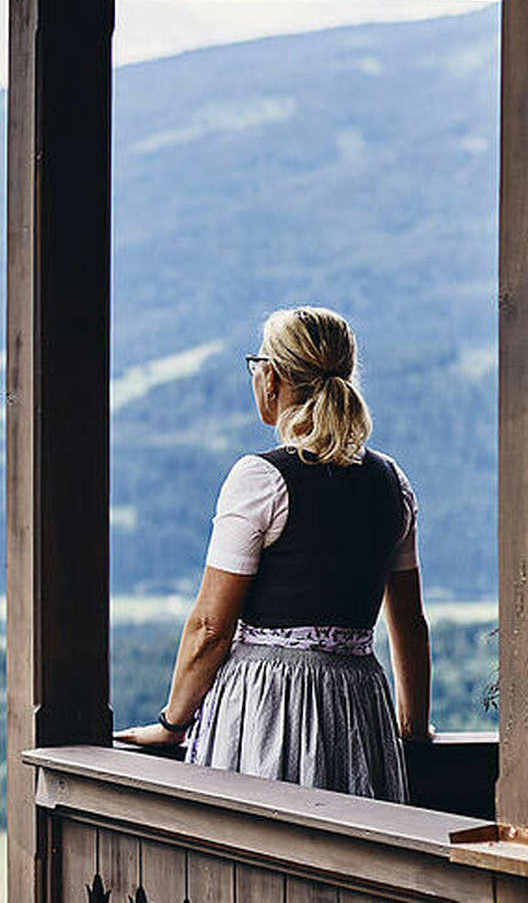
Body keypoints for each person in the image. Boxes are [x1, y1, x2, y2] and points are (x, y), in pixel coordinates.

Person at [115, 306, 431, 801]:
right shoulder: (393, 482)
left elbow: (210, 629)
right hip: (359, 707)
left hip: (269, 706)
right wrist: (411, 729)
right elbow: (408, 623)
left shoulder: (260, 480)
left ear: (271, 378)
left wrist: (172, 724)